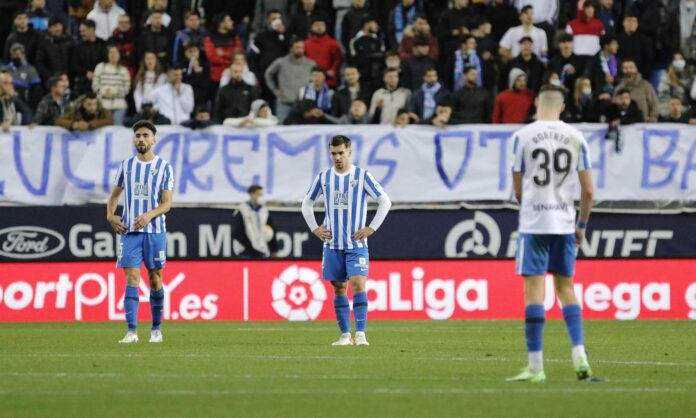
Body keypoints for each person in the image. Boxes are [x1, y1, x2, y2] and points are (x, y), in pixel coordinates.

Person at [507, 84, 596, 383]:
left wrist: (531, 206)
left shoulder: (522, 137)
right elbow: (588, 190)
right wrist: (581, 226)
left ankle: (536, 368)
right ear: (562, 106)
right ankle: (580, 356)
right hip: (564, 223)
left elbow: (518, 189)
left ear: (535, 103)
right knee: (566, 288)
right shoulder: (576, 137)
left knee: (534, 292)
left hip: (534, 224)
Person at [301, 135, 392, 346]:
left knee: (358, 284)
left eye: (341, 153)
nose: (337, 157)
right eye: (333, 153)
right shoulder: (324, 177)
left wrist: (371, 228)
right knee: (339, 288)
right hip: (332, 244)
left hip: (356, 245)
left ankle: (361, 334)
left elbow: (384, 201)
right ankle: (345, 336)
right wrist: (315, 228)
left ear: (349, 152)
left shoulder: (361, 176)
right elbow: (307, 203)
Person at [106, 120, 174, 344]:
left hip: (155, 231)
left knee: (155, 279)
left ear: (154, 139)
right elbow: (114, 196)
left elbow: (166, 204)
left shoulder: (164, 167)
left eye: (145, 135)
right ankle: (132, 332)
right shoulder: (126, 165)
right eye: (138, 136)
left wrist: (149, 215)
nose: (141, 139)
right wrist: (110, 215)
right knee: (132, 278)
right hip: (130, 232)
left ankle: (156, 330)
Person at [264, 37, 316, 122]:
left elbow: (317, 78)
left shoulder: (311, 64)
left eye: (302, 48)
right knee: (281, 128)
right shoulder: (281, 62)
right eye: (297, 47)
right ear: (291, 48)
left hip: (303, 104)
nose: (300, 50)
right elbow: (268, 74)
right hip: (284, 102)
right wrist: (274, 89)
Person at [231, 185, 278, 258]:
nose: (261, 197)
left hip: (261, 250)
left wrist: (274, 249)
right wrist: (251, 245)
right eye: (259, 194)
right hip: (246, 251)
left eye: (262, 195)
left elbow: (271, 229)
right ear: (251, 194)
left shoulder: (264, 211)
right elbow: (237, 232)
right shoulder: (242, 210)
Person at [92, 45, 130, 125]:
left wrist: (113, 92)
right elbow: (95, 84)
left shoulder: (124, 70)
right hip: (102, 105)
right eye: (111, 52)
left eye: (116, 52)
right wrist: (103, 92)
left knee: (117, 130)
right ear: (107, 55)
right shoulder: (100, 67)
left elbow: (127, 88)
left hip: (119, 105)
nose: (113, 55)